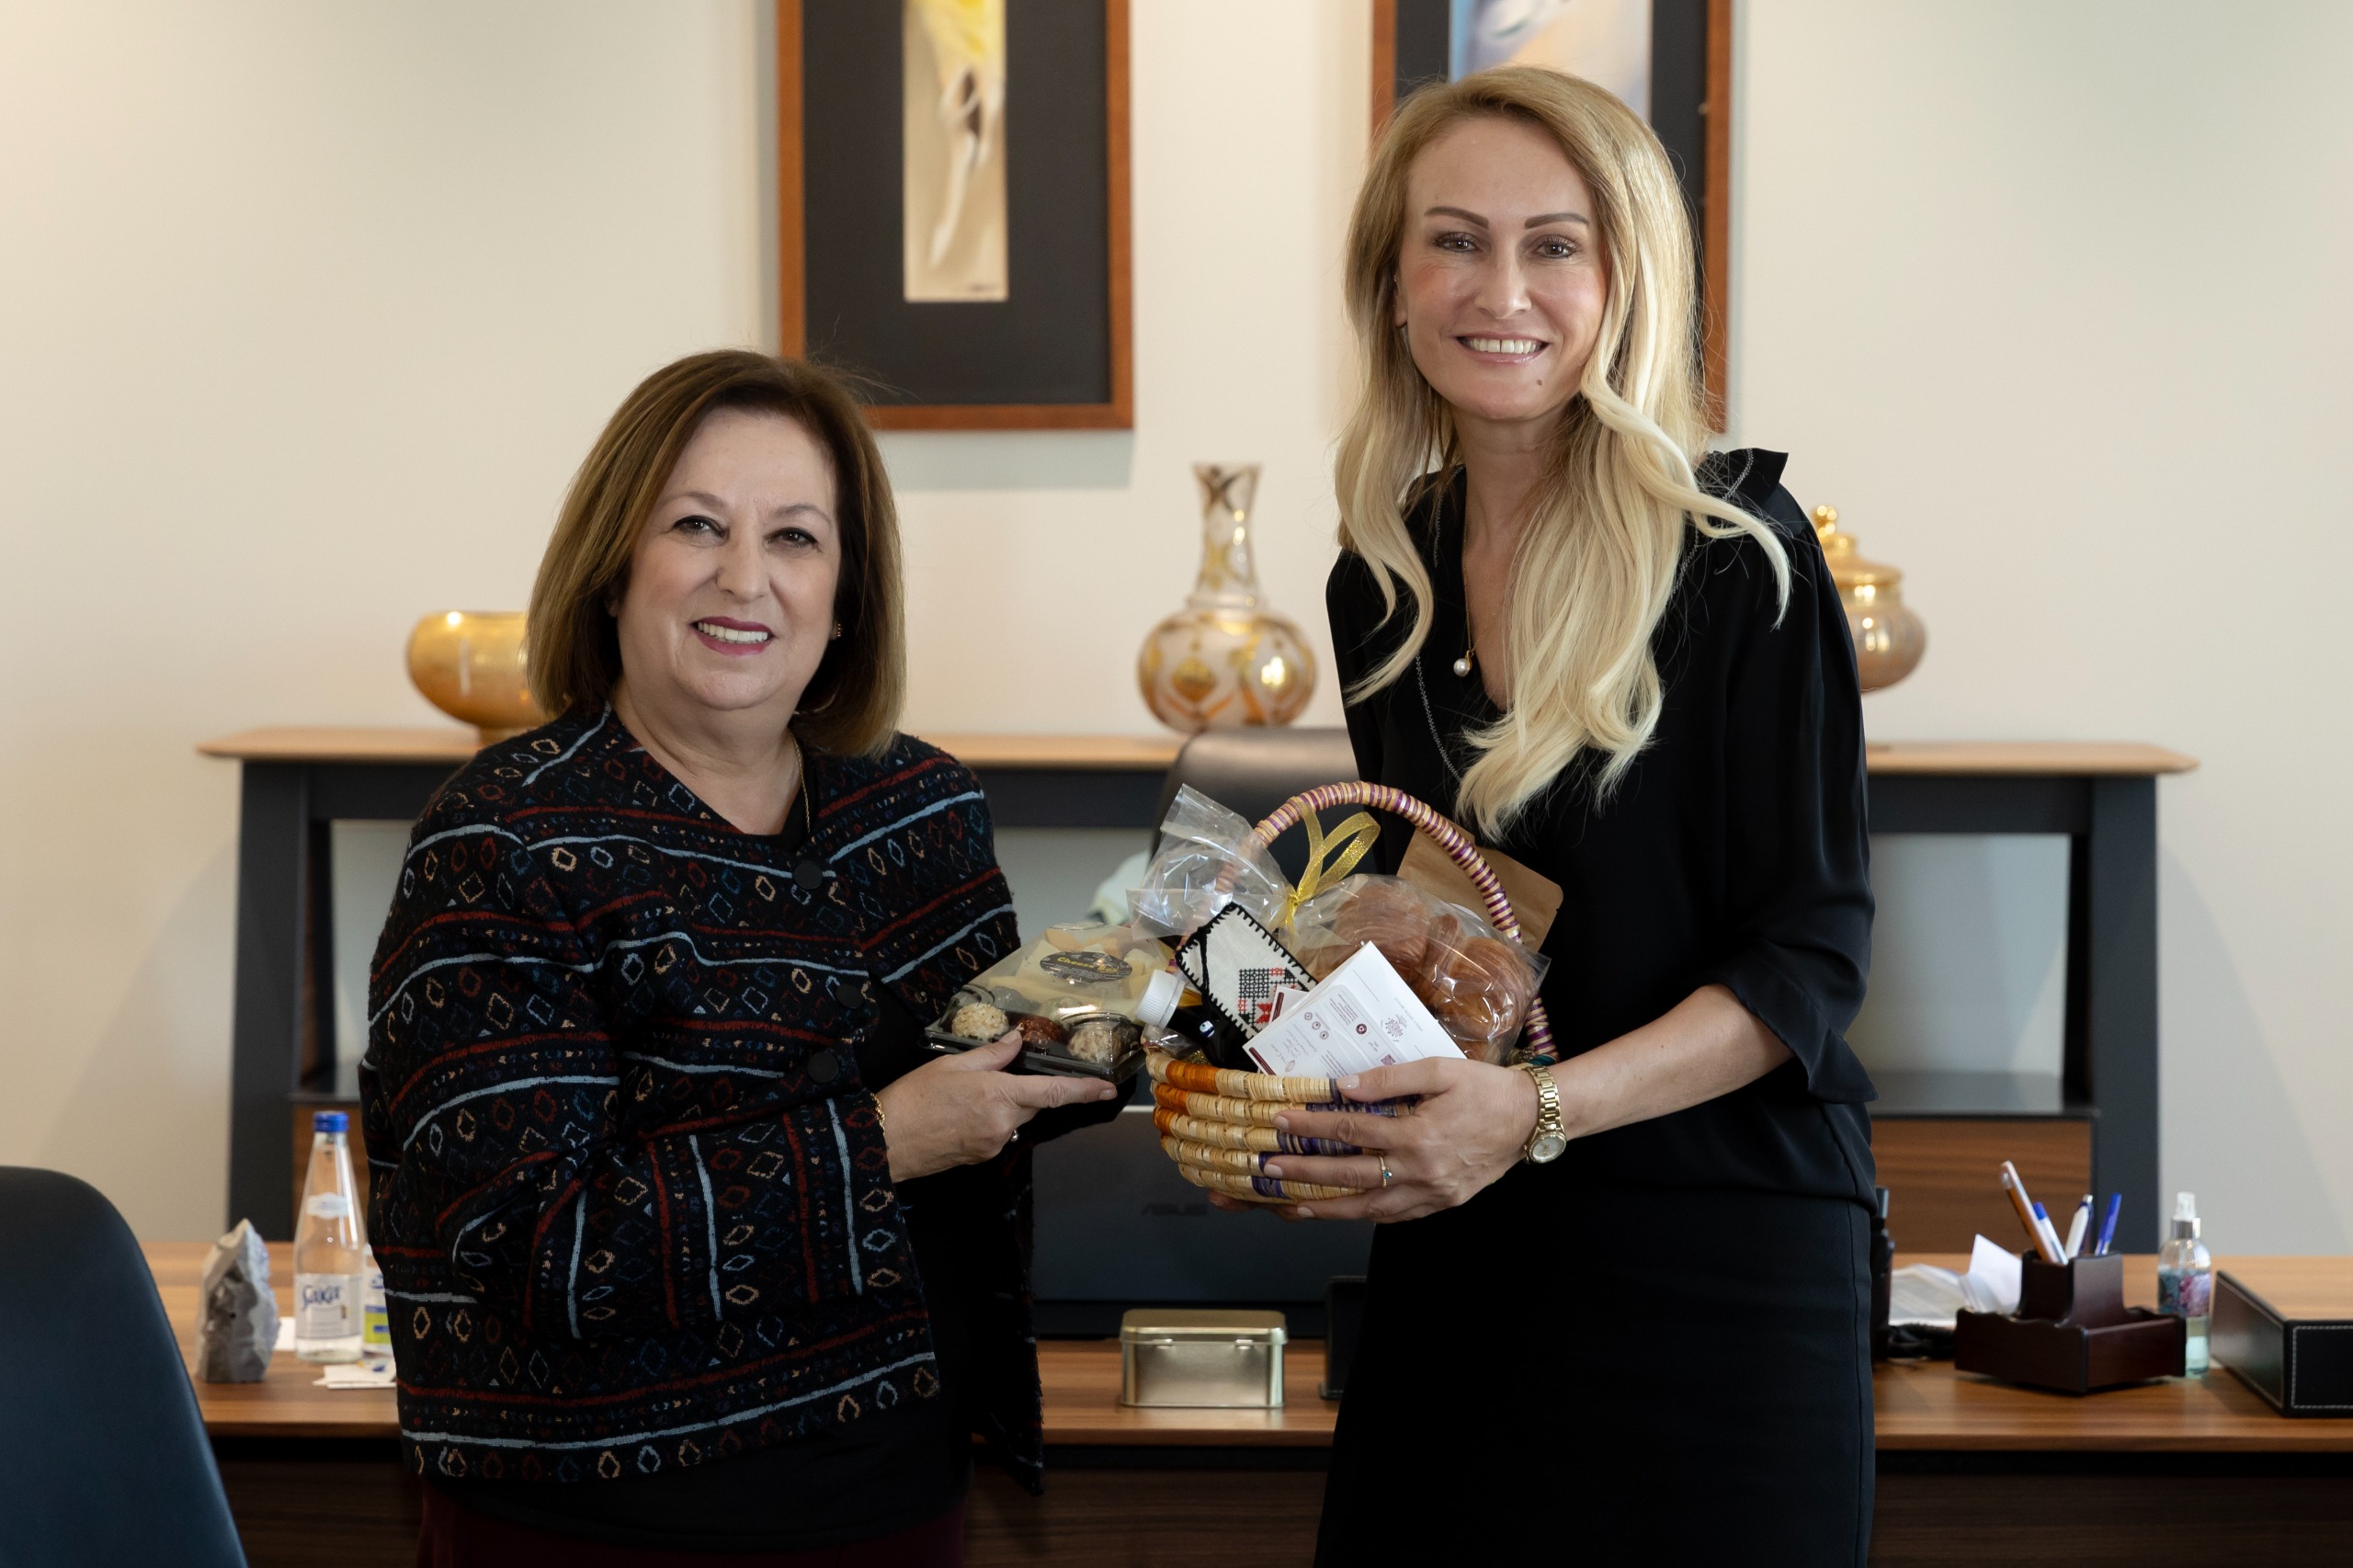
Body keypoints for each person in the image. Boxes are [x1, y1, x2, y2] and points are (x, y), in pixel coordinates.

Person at [1250, 68, 1876, 1563]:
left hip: (1720, 1263)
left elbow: (1808, 959)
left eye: (1555, 245)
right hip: (1466, 1247)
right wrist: (1286, 1036)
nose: (1502, 291)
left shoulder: (1740, 556)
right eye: (1455, 241)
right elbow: (1460, 925)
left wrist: (1532, 1114)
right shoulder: (1382, 580)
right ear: (1392, 284)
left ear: (1624, 281)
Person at [359, 349, 1121, 1566]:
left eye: (796, 538)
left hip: (898, 1496)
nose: (745, 578)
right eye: (697, 526)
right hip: (601, 1527)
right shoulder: (501, 841)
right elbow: (533, 1244)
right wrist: (881, 1141)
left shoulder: (919, 804)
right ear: (614, 565)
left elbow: (989, 1082)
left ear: (848, 593)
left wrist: (1170, 1000)